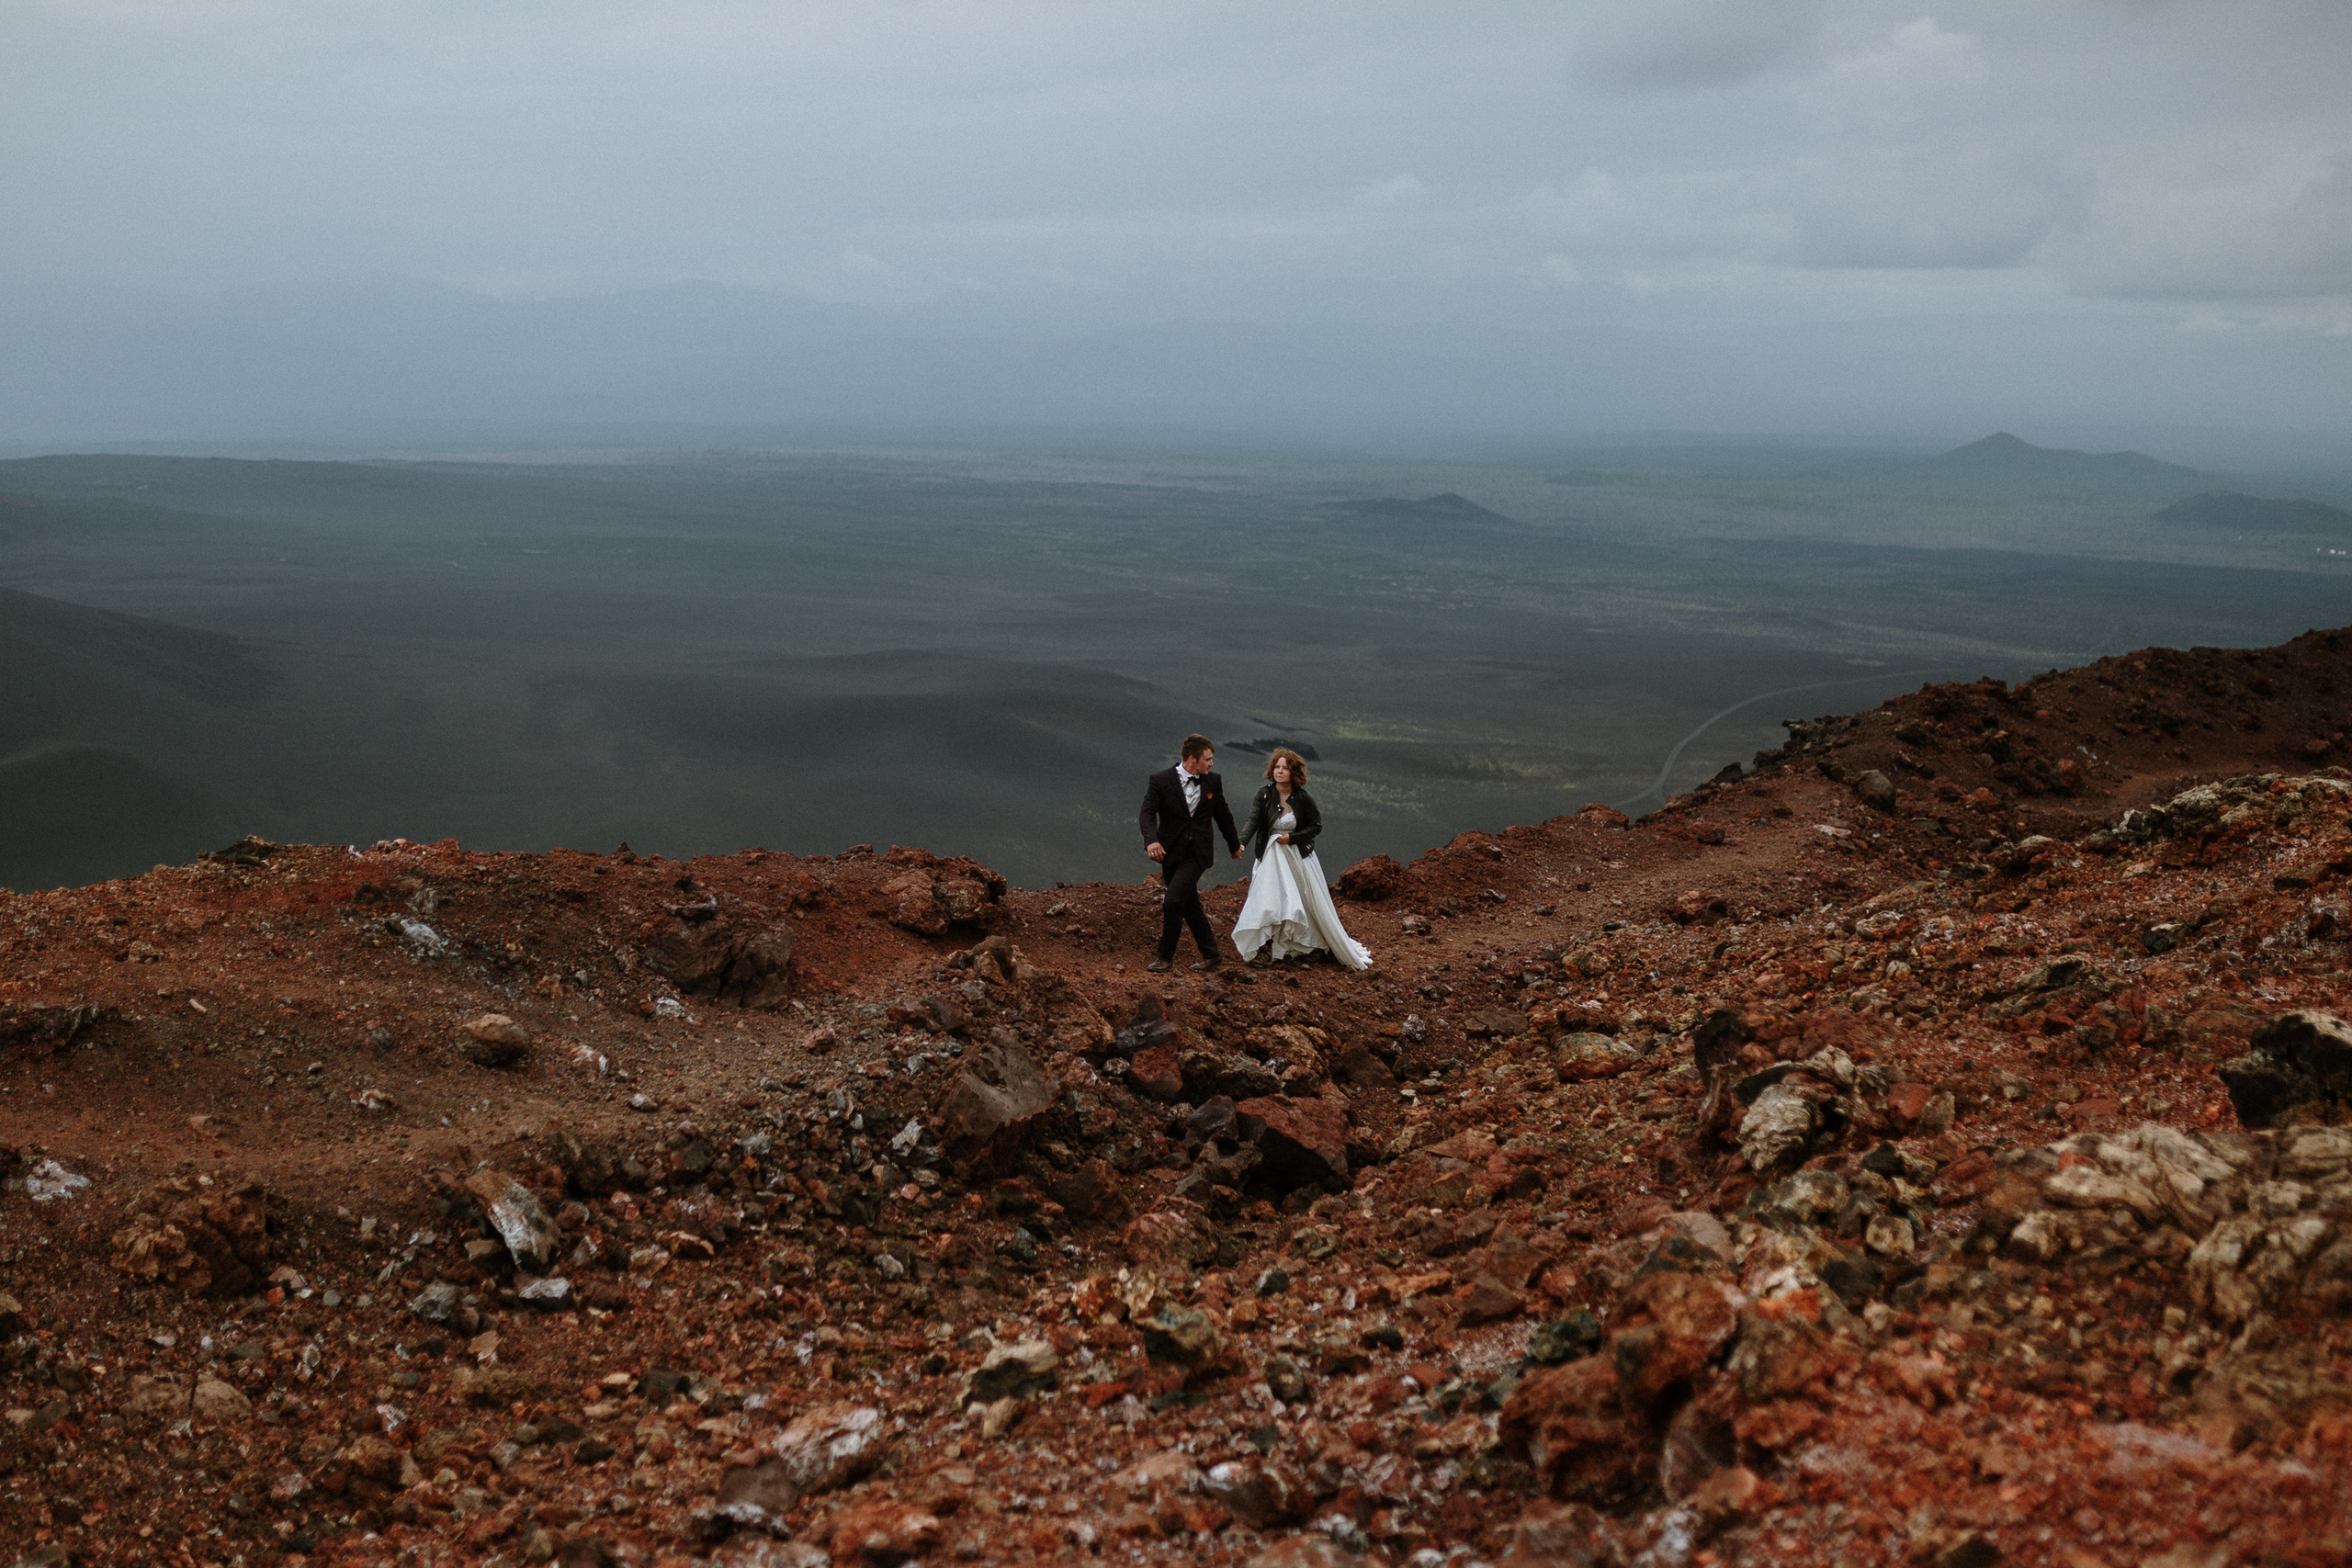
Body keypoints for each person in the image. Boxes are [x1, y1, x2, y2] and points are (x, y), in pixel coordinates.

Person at [1231, 748, 1371, 970]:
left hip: (1297, 857)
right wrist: (1241, 842)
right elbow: (1254, 820)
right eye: (1277, 767)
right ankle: (1267, 948)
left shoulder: (1304, 798)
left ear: (1293, 772)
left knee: (1304, 901)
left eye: (1285, 768)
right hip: (1270, 857)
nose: (1279, 771)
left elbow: (1316, 826)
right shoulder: (1264, 794)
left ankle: (1310, 946)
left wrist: (1292, 837)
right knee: (1268, 899)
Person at [1138, 733, 1242, 973]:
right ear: (1192, 759)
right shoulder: (1160, 780)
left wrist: (1233, 844)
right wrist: (1151, 841)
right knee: (1189, 903)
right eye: (1208, 759)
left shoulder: (1213, 781)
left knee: (1173, 901)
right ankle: (1212, 955)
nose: (1212, 763)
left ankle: (1164, 957)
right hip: (1169, 852)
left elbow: (1223, 815)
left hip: (1198, 853)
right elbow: (1147, 813)